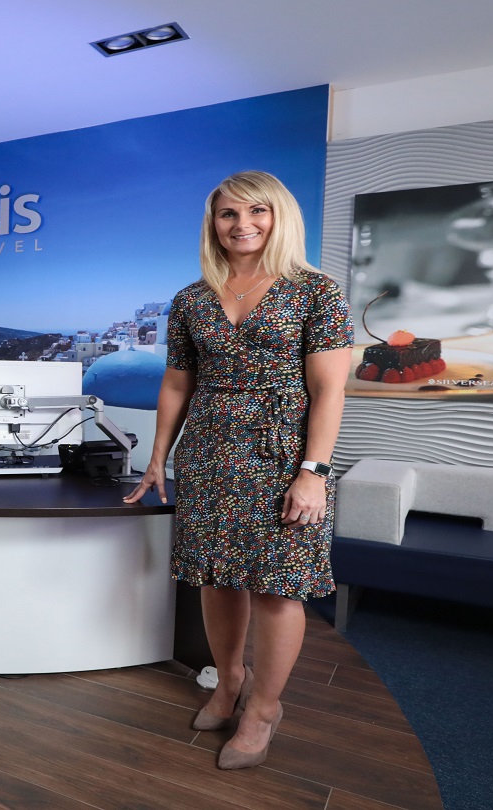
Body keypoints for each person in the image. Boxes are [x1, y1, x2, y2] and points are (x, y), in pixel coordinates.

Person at [123, 171, 353, 770]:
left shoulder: (316, 292)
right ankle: (228, 682)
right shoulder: (192, 299)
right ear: (213, 224)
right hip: (208, 453)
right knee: (216, 577)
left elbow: (330, 391)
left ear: (280, 217)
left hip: (281, 456)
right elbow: (177, 382)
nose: (242, 224)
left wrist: (314, 472)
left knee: (277, 588)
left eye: (257, 211)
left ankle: (264, 708)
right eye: (228, 214)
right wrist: (157, 458)